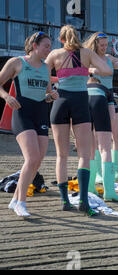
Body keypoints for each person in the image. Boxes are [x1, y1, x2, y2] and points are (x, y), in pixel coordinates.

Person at [45, 25, 112, 216]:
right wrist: (89, 69)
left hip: (60, 101)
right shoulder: (87, 52)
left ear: (61, 39)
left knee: (61, 155)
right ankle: (83, 201)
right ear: (78, 37)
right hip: (81, 102)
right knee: (84, 154)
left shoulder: (55, 54)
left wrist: (56, 81)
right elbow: (107, 70)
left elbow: (42, 75)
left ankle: (65, 201)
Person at [1, 32, 58, 217]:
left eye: (50, 46)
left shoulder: (46, 68)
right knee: (32, 158)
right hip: (22, 113)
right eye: (46, 46)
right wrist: (7, 96)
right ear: (35, 45)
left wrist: (52, 96)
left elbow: (46, 94)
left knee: (37, 161)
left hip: (40, 114)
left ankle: (14, 199)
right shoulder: (17, 62)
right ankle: (21, 202)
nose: (49, 50)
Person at [83, 32, 118, 202]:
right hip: (96, 94)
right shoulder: (89, 57)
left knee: (116, 134)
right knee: (98, 142)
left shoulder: (107, 57)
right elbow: (86, 70)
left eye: (106, 44)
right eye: (101, 44)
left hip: (109, 96)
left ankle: (117, 172)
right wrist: (92, 69)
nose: (104, 47)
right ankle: (99, 183)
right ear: (95, 44)